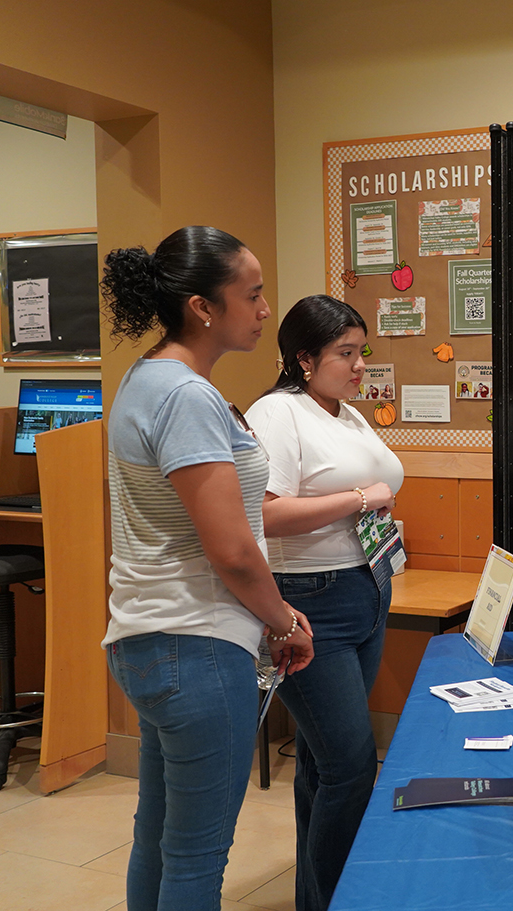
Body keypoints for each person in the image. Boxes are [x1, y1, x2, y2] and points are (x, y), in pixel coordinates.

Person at [100, 226, 315, 911]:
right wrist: (283, 620)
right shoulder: (185, 396)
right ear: (202, 306)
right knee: (195, 857)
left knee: (159, 836)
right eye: (251, 295)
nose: (262, 310)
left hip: (148, 637)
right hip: (195, 644)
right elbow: (230, 549)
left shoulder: (148, 378)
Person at [245, 294, 404, 911]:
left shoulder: (343, 412)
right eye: (345, 353)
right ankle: (343, 898)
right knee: (350, 767)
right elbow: (265, 513)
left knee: (320, 762)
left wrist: (370, 502)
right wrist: (359, 500)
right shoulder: (278, 413)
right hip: (311, 602)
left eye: (361, 351)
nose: (360, 364)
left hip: (366, 587)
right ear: (304, 358)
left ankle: (316, 899)